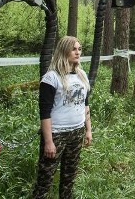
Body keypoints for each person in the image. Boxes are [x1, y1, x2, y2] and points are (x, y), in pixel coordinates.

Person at [33, 36, 92, 199]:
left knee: (69, 176)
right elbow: (44, 113)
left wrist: (88, 130)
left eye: (79, 49)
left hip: (77, 132)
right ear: (64, 50)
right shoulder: (51, 78)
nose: (78, 52)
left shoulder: (82, 75)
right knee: (45, 178)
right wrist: (49, 141)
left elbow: (85, 104)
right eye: (74, 49)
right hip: (56, 134)